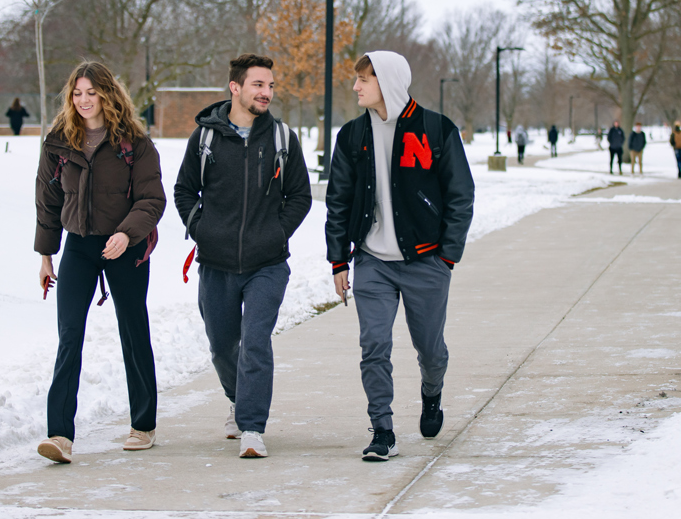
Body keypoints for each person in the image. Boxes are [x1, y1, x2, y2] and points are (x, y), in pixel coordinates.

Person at [326, 52, 474, 462]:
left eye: (364, 79)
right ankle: (383, 430)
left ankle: (431, 392)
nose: (356, 87)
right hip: (373, 261)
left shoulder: (436, 129)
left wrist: (448, 257)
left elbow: (461, 196)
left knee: (430, 349)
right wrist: (338, 260)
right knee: (373, 345)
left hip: (426, 262)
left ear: (387, 81)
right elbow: (337, 201)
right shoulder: (352, 135)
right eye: (356, 80)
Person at [173, 54, 312, 459]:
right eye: (258, 85)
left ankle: (252, 427)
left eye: (270, 86)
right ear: (235, 87)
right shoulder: (205, 138)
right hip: (215, 263)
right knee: (221, 346)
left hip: (267, 263)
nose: (266, 92)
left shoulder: (283, 139)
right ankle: (239, 398)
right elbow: (184, 191)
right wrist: (202, 230)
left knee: (255, 341)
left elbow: (299, 196)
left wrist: (276, 233)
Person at [35, 62, 167, 465]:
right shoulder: (58, 142)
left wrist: (127, 233)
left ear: (108, 94)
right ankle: (59, 435)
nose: (84, 100)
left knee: (132, 329)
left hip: (125, 247)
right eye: (77, 93)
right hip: (78, 245)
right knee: (69, 334)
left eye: (92, 92)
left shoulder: (135, 144)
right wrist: (46, 254)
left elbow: (152, 200)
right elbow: (48, 202)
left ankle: (143, 425)